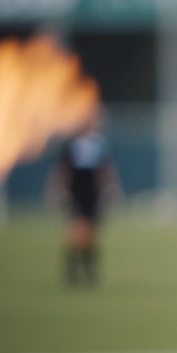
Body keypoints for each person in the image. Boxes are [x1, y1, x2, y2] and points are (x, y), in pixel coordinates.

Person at [48, 112, 119, 286]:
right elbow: (63, 169)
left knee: (91, 232)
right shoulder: (72, 143)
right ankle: (73, 269)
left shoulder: (99, 143)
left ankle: (89, 271)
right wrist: (59, 190)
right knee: (79, 229)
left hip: (92, 189)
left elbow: (105, 169)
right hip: (77, 188)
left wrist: (110, 188)